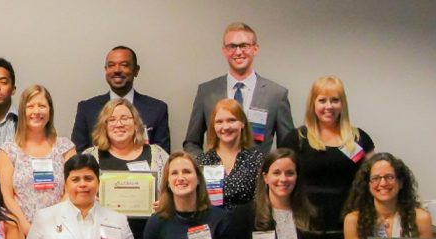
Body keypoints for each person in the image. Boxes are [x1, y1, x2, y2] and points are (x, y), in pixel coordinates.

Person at [279, 75, 374, 239]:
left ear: (343, 104)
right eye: (322, 100)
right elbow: (282, 180)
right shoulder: (297, 139)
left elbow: (372, 182)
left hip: (348, 226)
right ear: (313, 103)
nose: (328, 106)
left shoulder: (359, 139)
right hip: (306, 224)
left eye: (335, 100)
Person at [183, 22, 293, 154]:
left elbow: (288, 149)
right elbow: (191, 143)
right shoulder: (206, 92)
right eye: (232, 46)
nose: (238, 52)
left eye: (244, 46)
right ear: (224, 51)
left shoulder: (275, 95)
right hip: (216, 173)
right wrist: (205, 166)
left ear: (255, 49)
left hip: (259, 173)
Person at [82, 98, 169, 239]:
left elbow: (175, 192)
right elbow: (75, 197)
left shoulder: (158, 155)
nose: (119, 124)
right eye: (112, 119)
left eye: (125, 118)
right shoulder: (89, 157)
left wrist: (167, 203)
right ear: (104, 125)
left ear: (136, 124)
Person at [0, 84, 75, 235]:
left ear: (50, 111)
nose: (36, 111)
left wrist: (56, 224)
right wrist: (26, 228)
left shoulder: (66, 148)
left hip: (62, 229)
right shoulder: (8, 150)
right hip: (21, 231)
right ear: (22, 111)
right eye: (30, 106)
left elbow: (71, 189)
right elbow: (6, 195)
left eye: (42, 106)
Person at [71, 45, 171, 152]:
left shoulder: (157, 109)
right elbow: (78, 157)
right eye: (111, 65)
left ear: (136, 70)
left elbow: (163, 158)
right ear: (106, 70)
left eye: (124, 65)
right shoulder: (87, 109)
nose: (117, 70)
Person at [194, 98, 264, 211]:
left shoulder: (257, 159)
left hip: (247, 225)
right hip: (213, 226)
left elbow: (261, 201)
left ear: (242, 123)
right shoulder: (202, 161)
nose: (225, 127)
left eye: (231, 120)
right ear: (213, 126)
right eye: (219, 122)